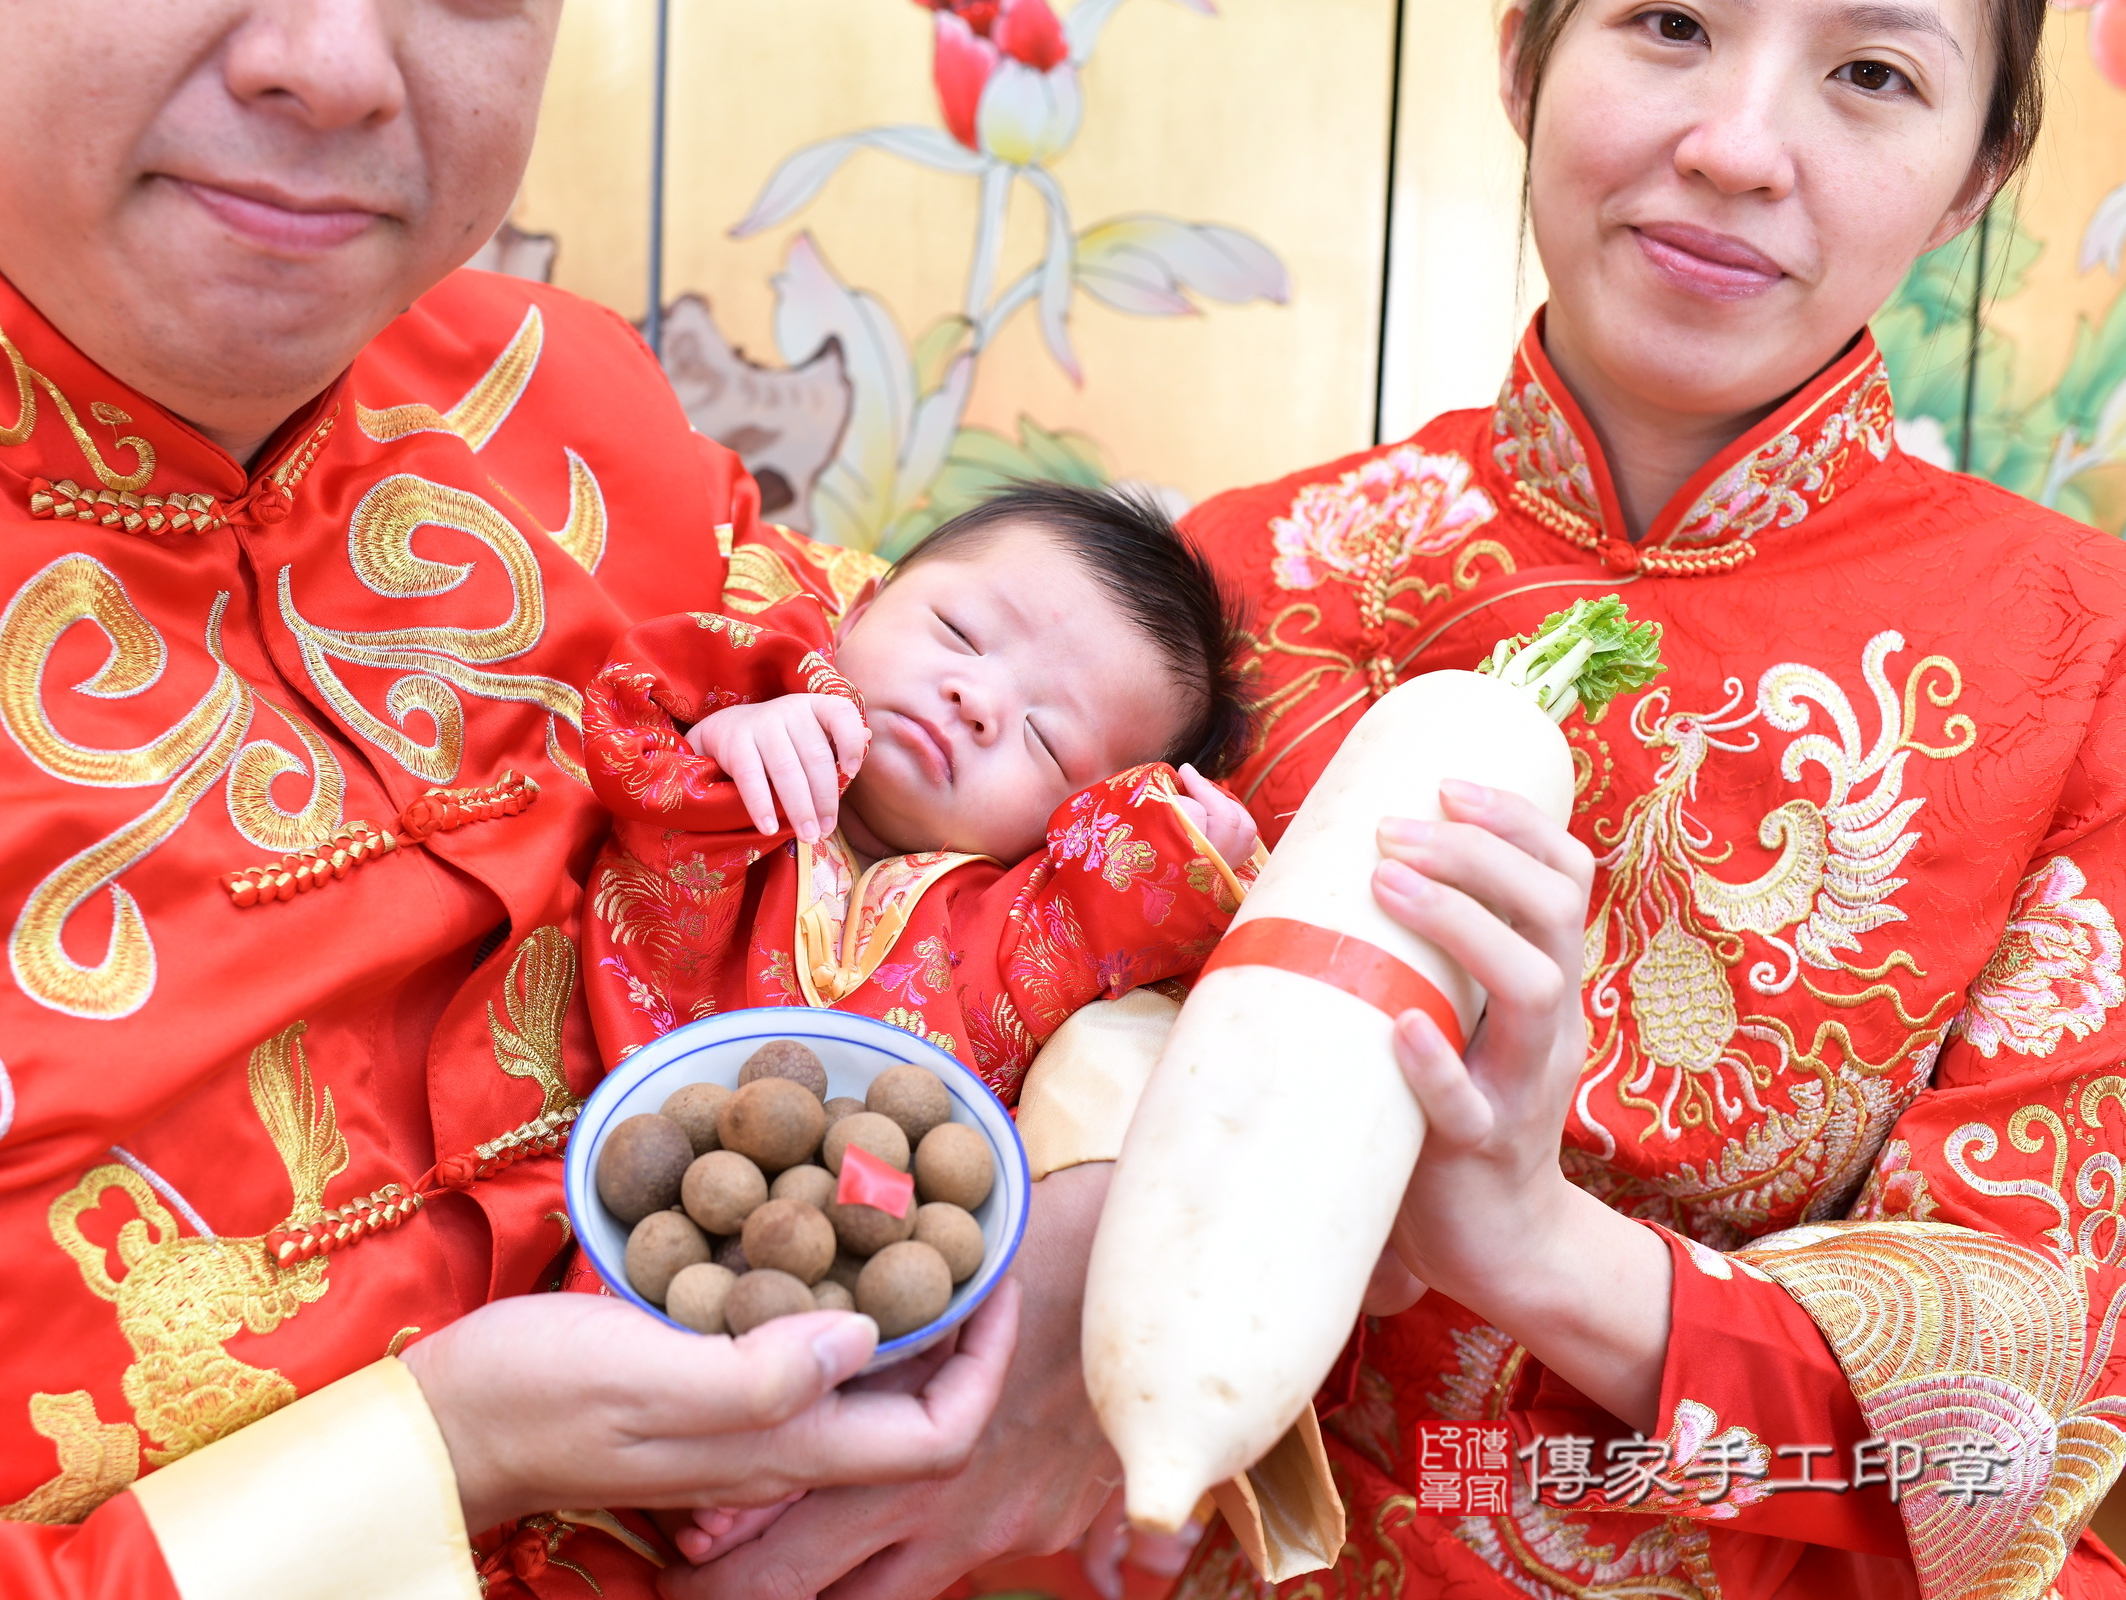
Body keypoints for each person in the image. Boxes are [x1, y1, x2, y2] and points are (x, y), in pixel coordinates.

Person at [663, 0, 2126, 1595]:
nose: (1735, 145)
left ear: (1976, 177)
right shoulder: (1231, 590)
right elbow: (873, 950)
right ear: (1522, 57)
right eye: (1669, 23)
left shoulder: (2080, 656)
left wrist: (1543, 1254)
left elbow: (1996, 1450)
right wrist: (1072, 1255)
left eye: (1871, 73)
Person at [0, 4, 1026, 1596]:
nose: (334, 66)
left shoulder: (571, 406)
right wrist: (438, 1459)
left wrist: (1091, 1211)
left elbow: (1061, 785)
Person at [578, 484, 1260, 1086]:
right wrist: (723, 739)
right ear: (859, 613)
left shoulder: (1004, 924)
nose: (978, 700)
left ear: (1070, 822)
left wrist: (1181, 850)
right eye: (959, 634)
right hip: (610, 1087)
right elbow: (635, 766)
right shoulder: (762, 699)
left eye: (1046, 739)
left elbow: (1097, 920)